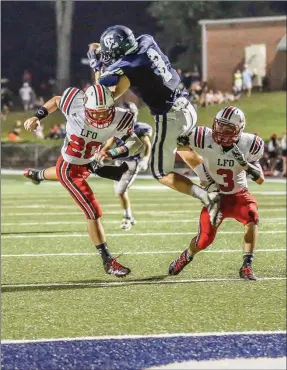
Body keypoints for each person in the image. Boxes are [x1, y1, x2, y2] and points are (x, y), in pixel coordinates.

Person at [87, 25, 220, 226]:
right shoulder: (145, 40)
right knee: (182, 146)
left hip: (170, 115)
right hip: (186, 106)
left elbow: (101, 94)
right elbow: (125, 76)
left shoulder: (129, 65)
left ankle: (208, 198)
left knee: (160, 172)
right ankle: (210, 182)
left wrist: (96, 66)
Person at [23, 84, 139, 277]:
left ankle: (37, 175)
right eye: (96, 113)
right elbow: (56, 100)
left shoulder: (120, 117)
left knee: (117, 173)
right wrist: (37, 116)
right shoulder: (74, 103)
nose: (101, 117)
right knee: (93, 211)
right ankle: (107, 261)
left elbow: (136, 144)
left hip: (88, 162)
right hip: (69, 168)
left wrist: (111, 152)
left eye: (105, 112)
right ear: (86, 107)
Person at [168, 106, 265, 280]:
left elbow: (260, 180)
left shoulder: (249, 143)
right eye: (218, 126)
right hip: (214, 197)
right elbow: (180, 145)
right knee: (204, 241)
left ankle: (247, 266)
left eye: (227, 129)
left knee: (252, 216)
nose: (220, 132)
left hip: (238, 195)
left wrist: (244, 165)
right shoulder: (203, 137)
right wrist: (203, 175)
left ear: (238, 130)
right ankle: (187, 255)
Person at [102, 104, 152, 230]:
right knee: (120, 192)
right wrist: (101, 155)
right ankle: (129, 215)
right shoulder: (117, 128)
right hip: (119, 162)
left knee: (120, 191)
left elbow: (147, 145)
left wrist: (145, 158)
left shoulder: (139, 128)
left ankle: (127, 218)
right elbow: (109, 145)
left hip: (131, 163)